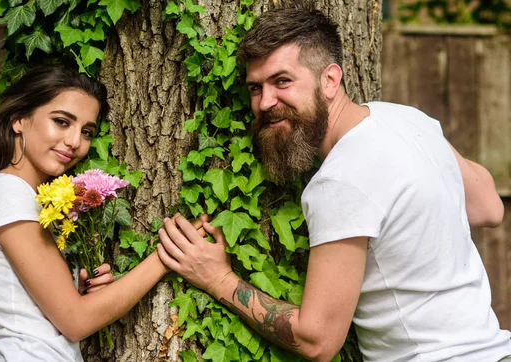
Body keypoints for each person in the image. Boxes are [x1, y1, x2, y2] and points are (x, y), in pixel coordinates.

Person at [156, 7, 511, 362]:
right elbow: (488, 207)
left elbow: (318, 340)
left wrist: (219, 280)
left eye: (282, 81)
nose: (264, 102)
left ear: (330, 80)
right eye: (255, 87)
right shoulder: (406, 119)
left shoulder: (341, 180)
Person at [0, 65, 172, 361]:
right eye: (62, 122)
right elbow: (75, 321)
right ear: (18, 119)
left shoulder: (33, 201)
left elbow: (56, 313)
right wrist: (167, 257)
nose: (75, 141)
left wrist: (86, 292)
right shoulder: (4, 190)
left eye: (86, 131)